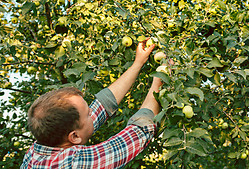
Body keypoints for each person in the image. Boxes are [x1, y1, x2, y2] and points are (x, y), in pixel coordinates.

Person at [21, 40, 162, 168]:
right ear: (74, 137)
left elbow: (102, 105)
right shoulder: (73, 164)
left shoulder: (35, 153)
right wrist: (160, 77)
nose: (92, 113)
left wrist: (137, 63)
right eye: (88, 114)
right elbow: (137, 133)